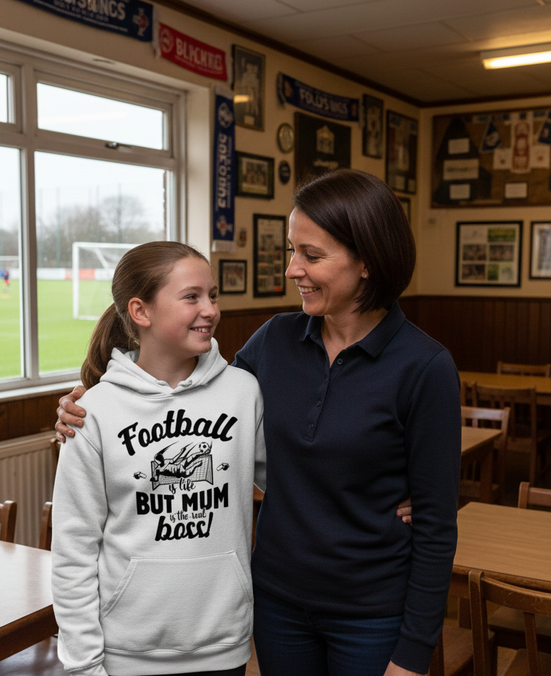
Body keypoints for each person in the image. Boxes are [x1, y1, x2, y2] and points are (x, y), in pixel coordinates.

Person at [57, 169, 458, 676]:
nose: (293, 269)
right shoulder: (275, 342)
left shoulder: (425, 367)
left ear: (366, 262)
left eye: (311, 256)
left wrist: (414, 653)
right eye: (293, 251)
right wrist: (90, 396)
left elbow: (438, 528)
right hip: (277, 606)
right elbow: (191, 397)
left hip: (370, 614)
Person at [52, 241, 267, 676]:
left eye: (213, 296)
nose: (210, 309)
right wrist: (83, 666)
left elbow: (299, 480)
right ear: (140, 311)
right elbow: (73, 552)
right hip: (126, 656)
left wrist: (384, 492)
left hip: (224, 647)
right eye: (192, 297)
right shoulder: (91, 412)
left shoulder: (244, 392)